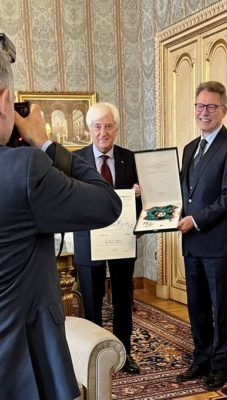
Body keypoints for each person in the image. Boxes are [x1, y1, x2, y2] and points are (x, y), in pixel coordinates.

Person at [0, 48, 122, 400]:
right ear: (5, 100)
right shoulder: (22, 170)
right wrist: (46, 143)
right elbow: (107, 203)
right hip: (21, 369)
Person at [177, 81, 227, 389]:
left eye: (210, 107)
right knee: (196, 306)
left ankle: (220, 366)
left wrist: (195, 219)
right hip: (192, 243)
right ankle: (201, 357)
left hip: (220, 242)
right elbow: (183, 192)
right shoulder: (191, 147)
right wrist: (153, 199)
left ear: (223, 110)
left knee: (220, 308)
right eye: (199, 106)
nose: (203, 112)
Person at [73, 102, 141, 375]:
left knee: (123, 300)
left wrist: (139, 194)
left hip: (122, 241)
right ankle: (94, 358)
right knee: (92, 301)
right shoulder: (74, 160)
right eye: (98, 126)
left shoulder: (131, 159)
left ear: (117, 128)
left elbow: (147, 201)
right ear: (89, 129)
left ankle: (124, 354)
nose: (103, 132)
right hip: (88, 243)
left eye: (109, 126)